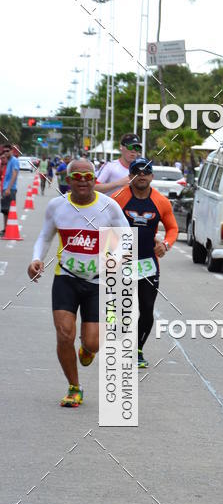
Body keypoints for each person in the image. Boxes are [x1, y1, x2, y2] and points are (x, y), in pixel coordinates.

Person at [27, 159, 130, 407]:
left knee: (93, 342)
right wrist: (36, 259)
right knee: (64, 335)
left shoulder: (109, 207)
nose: (83, 180)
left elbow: (125, 238)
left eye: (88, 175)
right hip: (67, 278)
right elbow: (44, 236)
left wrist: (117, 257)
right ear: (69, 180)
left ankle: (88, 348)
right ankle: (74, 387)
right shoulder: (57, 207)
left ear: (95, 179)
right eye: (77, 176)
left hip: (99, 281)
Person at [113, 157, 178, 368]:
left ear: (151, 176)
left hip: (147, 263)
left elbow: (173, 228)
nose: (141, 175)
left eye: (146, 172)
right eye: (137, 171)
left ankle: (138, 350)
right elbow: (103, 225)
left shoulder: (161, 201)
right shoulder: (118, 199)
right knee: (122, 308)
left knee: (147, 308)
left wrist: (166, 245)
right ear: (130, 176)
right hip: (122, 262)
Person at [1, 145, 20, 235]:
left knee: (9, 210)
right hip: (5, 188)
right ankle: (5, 229)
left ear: (12, 151)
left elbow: (14, 174)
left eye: (7, 151)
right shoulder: (7, 162)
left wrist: (8, 188)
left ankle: (9, 230)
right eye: (4, 151)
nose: (6, 152)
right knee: (5, 211)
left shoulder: (14, 160)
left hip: (10, 189)